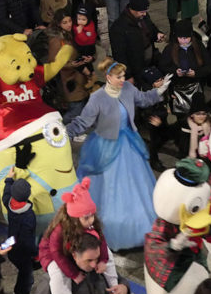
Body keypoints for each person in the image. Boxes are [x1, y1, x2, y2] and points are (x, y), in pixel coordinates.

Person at [66, 58, 169, 250]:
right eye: (119, 76)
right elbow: (83, 122)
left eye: (123, 75)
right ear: (108, 77)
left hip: (128, 142)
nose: (123, 79)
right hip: (106, 146)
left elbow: (144, 99)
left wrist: (158, 92)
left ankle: (141, 227)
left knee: (137, 186)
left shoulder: (128, 89)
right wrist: (64, 133)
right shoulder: (97, 98)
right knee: (111, 188)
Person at [159, 19, 211, 119]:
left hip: (196, 90)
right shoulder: (169, 49)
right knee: (182, 119)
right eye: (181, 38)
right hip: (177, 91)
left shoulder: (199, 46)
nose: (184, 41)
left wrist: (196, 73)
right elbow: (163, 67)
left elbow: (209, 66)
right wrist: (175, 72)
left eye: (187, 38)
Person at [109, 0, 166, 86]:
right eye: (142, 12)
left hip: (150, 61)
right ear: (132, 9)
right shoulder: (119, 28)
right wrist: (127, 75)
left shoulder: (144, 16)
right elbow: (119, 55)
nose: (145, 14)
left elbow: (151, 27)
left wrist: (157, 34)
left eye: (145, 11)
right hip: (136, 68)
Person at [47, 9, 90, 122]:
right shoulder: (57, 40)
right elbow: (54, 62)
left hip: (77, 76)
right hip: (68, 79)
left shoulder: (71, 34)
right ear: (58, 24)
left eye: (70, 21)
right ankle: (61, 130)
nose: (68, 24)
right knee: (76, 109)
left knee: (79, 106)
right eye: (64, 22)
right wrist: (73, 64)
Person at [2, 176, 36, 294]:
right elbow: (28, 240)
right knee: (27, 279)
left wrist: (9, 180)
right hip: (24, 253)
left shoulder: (9, 204)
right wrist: (36, 253)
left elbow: (6, 194)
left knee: (22, 275)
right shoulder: (28, 215)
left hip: (12, 247)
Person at [177, 94, 211, 159]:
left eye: (204, 114)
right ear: (192, 115)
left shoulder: (209, 124)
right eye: (198, 114)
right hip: (188, 158)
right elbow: (167, 132)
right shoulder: (184, 125)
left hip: (206, 157)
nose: (201, 117)